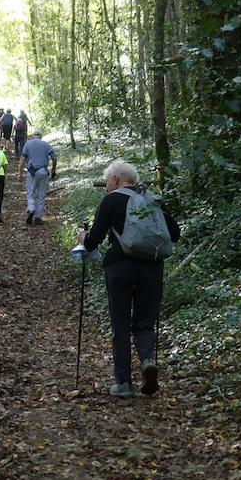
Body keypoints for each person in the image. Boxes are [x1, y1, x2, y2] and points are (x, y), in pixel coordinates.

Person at [76, 159, 179, 398]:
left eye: (106, 182)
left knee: (120, 325)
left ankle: (123, 383)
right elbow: (175, 234)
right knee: (144, 323)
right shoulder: (152, 200)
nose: (106, 186)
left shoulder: (111, 200)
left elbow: (94, 241)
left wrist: (83, 237)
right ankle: (147, 361)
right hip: (152, 269)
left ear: (115, 180)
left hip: (120, 268)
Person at [17, 131, 57, 226]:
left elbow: (22, 159)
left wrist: (20, 173)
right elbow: (54, 158)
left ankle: (31, 208)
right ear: (41, 136)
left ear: (32, 136)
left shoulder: (28, 144)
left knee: (31, 192)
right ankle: (38, 217)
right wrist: (53, 170)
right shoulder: (46, 144)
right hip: (43, 171)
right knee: (41, 194)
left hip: (31, 172)